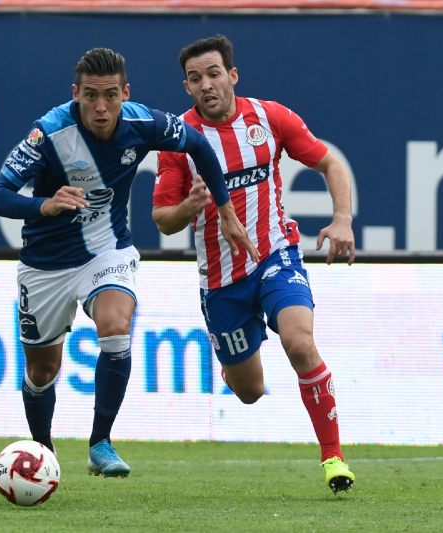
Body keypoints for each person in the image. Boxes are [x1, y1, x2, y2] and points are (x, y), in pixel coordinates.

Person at [0, 47, 257, 478]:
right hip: (45, 265)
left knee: (115, 326)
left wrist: (224, 210)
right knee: (41, 370)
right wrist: (44, 205)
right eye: (90, 95)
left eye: (110, 95)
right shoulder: (49, 131)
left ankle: (101, 443)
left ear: (125, 92)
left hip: (106, 251)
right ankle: (44, 452)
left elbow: (199, 144)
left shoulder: (141, 122)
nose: (100, 107)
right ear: (75, 93)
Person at [152, 35, 356, 493]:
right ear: (186, 87)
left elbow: (331, 164)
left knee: (300, 344)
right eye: (195, 78)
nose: (206, 84)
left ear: (233, 75)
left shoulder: (270, 117)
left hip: (275, 256)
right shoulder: (178, 139)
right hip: (222, 282)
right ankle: (233, 363)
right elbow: (163, 220)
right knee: (248, 391)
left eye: (214, 73)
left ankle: (334, 459)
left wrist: (342, 220)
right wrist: (190, 207)